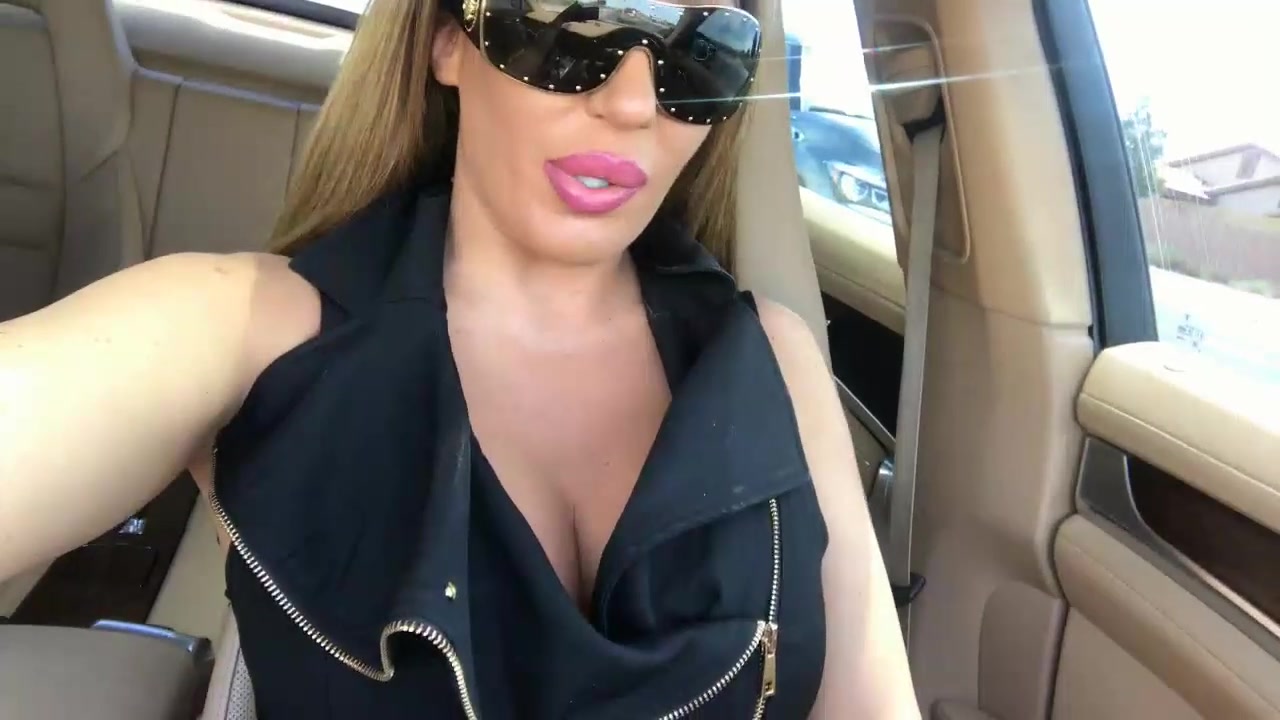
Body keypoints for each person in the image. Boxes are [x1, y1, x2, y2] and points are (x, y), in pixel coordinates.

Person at [0, 0, 916, 717]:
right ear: (447, 38)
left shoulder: (778, 362)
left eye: (703, 45)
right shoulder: (246, 328)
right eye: (573, 16)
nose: (634, 101)